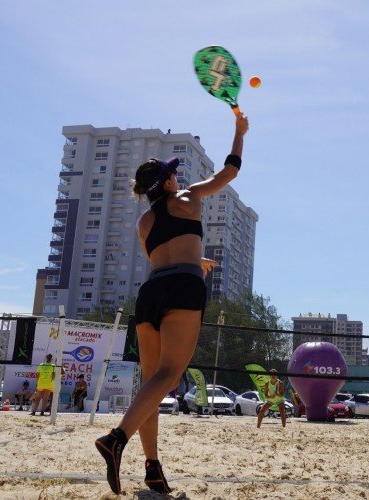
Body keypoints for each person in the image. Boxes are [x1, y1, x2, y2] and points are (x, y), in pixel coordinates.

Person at [95, 112, 249, 495]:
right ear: (167, 181)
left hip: (151, 292)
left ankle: (152, 467)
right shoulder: (187, 197)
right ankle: (116, 439)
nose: (178, 178)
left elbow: (163, 256)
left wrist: (195, 259)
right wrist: (239, 132)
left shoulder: (144, 221)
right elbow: (229, 174)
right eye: (174, 174)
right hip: (182, 288)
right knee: (170, 375)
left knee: (153, 381)